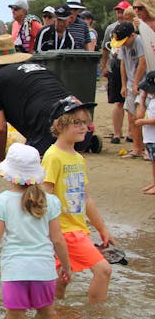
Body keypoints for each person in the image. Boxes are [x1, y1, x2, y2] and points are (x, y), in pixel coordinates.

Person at [0, 143, 71, 319]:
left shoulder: (1, 201)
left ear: (8, 173)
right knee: (48, 314)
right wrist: (66, 267)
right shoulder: (50, 201)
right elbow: (57, 240)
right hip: (43, 270)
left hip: (15, 271)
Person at [42, 96, 113, 303]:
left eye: (85, 123)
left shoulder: (78, 158)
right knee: (103, 270)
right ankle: (96, 317)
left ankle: (51, 310)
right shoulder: (53, 156)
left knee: (62, 278)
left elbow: (86, 199)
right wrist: (49, 233)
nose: (84, 127)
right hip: (64, 230)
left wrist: (102, 228)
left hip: (78, 228)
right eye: (77, 123)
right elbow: (45, 197)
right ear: (60, 125)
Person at [0, 34, 69, 166]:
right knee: (63, 169)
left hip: (49, 125)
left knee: (24, 173)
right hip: (78, 119)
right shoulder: (43, 69)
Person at [112, 21, 146, 158]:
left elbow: (143, 62)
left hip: (144, 84)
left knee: (141, 116)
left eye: (125, 41)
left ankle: (146, 148)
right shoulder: (124, 45)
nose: (124, 44)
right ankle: (137, 148)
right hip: (131, 84)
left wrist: (136, 83)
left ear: (132, 35)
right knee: (131, 117)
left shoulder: (139, 41)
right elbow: (123, 64)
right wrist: (124, 85)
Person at [101, 1, 132, 144]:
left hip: (131, 67)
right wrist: (104, 67)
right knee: (118, 101)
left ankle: (131, 133)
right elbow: (105, 49)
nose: (120, 15)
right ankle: (117, 133)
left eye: (122, 12)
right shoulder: (111, 28)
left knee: (132, 102)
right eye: (118, 12)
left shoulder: (135, 29)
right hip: (116, 66)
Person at [136, 71, 155, 193]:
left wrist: (144, 121)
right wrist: (142, 100)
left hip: (153, 137)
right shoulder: (151, 101)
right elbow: (140, 114)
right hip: (150, 137)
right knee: (153, 161)